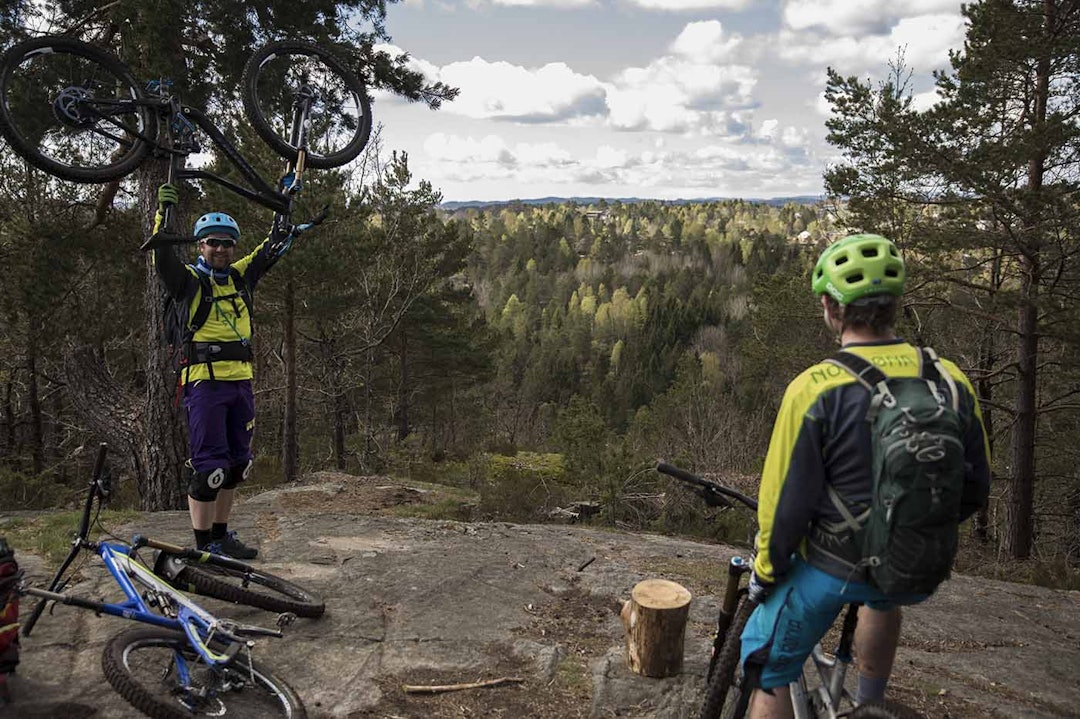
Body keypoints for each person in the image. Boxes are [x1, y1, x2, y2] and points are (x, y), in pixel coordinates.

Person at [739, 233, 991, 718]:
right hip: (913, 567)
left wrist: (765, 574)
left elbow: (784, 506)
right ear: (894, 305)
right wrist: (909, 529)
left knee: (767, 669)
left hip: (832, 570)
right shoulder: (951, 379)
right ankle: (869, 704)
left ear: (831, 308)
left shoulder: (815, 388)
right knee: (883, 597)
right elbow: (976, 486)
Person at [152, 183, 292, 559]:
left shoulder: (239, 276)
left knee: (237, 465)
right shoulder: (188, 281)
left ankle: (221, 535)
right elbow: (162, 259)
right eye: (212, 242)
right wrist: (163, 216)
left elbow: (269, 250)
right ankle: (202, 548)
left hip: (241, 383)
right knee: (208, 469)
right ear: (200, 246)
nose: (220, 249)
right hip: (205, 385)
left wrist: (284, 212)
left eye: (226, 243)